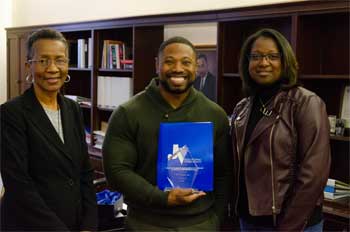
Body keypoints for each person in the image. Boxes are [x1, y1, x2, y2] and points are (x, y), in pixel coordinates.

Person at [103, 36, 233, 231]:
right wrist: (163, 198)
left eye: (186, 62)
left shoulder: (215, 114)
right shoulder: (128, 113)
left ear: (196, 68)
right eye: (169, 61)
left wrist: (216, 219)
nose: (178, 69)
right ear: (157, 65)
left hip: (200, 224)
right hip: (145, 224)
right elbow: (117, 172)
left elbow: (224, 174)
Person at [231, 28, 331, 231]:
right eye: (256, 56)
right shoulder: (243, 107)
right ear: (247, 62)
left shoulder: (305, 103)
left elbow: (313, 175)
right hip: (249, 220)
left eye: (272, 56)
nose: (263, 63)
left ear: (285, 61)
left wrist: (289, 225)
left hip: (292, 223)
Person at [0, 28, 97, 231]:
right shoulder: (11, 113)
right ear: (29, 66)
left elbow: (84, 171)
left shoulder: (72, 109)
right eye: (43, 60)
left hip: (74, 221)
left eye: (60, 60)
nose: (53, 68)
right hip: (30, 225)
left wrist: (89, 224)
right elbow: (18, 184)